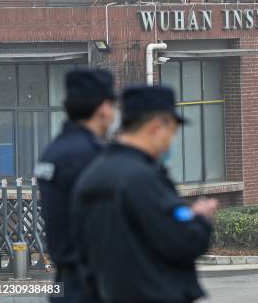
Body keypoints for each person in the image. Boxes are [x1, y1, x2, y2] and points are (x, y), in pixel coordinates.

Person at [71, 85, 218, 303]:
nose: (171, 141)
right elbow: (183, 240)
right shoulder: (143, 178)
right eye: (172, 132)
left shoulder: (91, 174)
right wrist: (200, 219)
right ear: (157, 126)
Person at [35, 68, 116, 302]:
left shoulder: (54, 151)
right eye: (113, 105)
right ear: (103, 108)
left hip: (65, 284)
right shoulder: (92, 156)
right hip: (95, 286)